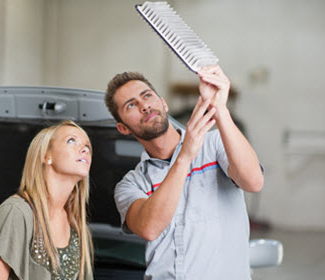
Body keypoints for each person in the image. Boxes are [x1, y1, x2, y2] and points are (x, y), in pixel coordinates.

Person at [104, 65, 264, 279]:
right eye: (131, 105)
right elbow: (149, 227)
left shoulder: (215, 145)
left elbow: (253, 182)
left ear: (163, 103)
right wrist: (185, 156)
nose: (144, 106)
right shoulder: (131, 185)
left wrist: (220, 109)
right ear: (123, 128)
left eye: (147, 96)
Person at [0, 120, 94, 280]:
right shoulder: (15, 213)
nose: (84, 149)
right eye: (71, 140)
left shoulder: (78, 226)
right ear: (46, 156)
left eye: (87, 146)